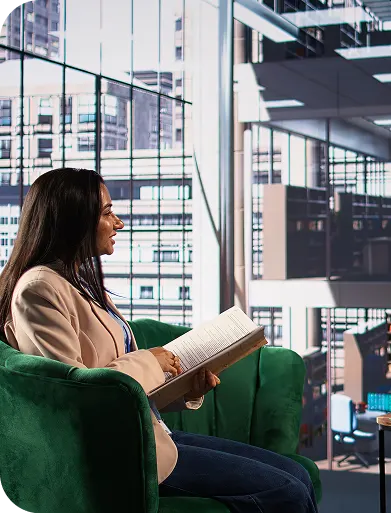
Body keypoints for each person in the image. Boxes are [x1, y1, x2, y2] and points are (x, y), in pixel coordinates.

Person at [0, 168, 318, 514]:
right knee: (288, 490)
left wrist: (185, 389)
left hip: (150, 436)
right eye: (107, 213)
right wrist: (151, 362)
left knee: (297, 473)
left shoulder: (77, 283)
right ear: (73, 220)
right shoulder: (39, 290)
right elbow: (81, 396)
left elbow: (124, 391)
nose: (118, 222)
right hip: (122, 454)